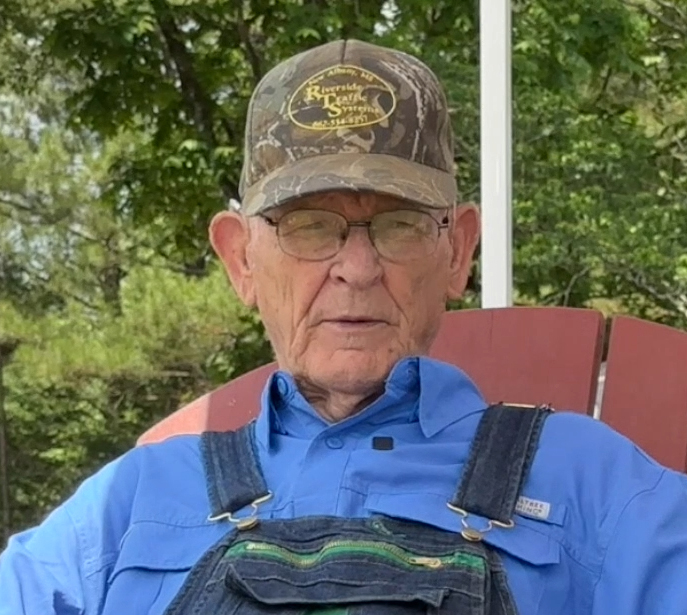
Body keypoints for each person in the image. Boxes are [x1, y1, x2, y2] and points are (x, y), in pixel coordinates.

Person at [1, 37, 687, 615]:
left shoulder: (595, 488)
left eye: (398, 224)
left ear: (457, 250)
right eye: (308, 226)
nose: (356, 267)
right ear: (240, 257)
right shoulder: (125, 509)